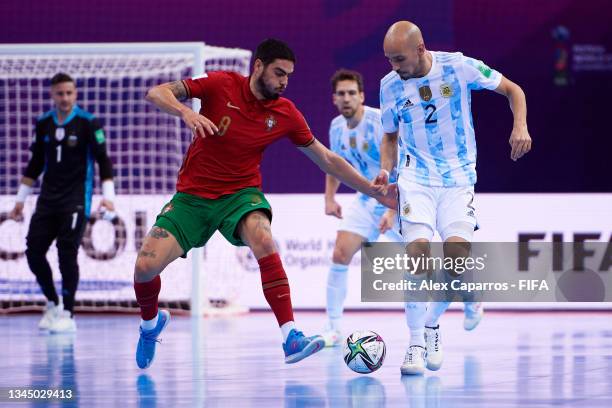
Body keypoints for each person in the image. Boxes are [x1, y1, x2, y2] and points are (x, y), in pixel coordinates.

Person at [136, 38, 394, 369]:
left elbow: (328, 159)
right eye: (278, 73)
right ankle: (149, 324)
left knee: (263, 238)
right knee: (145, 268)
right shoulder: (220, 84)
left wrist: (373, 191)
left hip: (241, 195)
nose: (284, 81)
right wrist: (187, 112)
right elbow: (157, 92)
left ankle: (291, 336)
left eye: (288, 75)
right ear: (258, 66)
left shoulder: (284, 112)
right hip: (193, 196)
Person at [376, 21, 531, 375]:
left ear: (420, 49)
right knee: (417, 256)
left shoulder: (458, 66)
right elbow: (388, 136)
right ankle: (415, 343)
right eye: (388, 59)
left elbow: (513, 90)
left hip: (458, 176)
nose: (393, 67)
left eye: (398, 59)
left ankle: (433, 323)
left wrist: (519, 126)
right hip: (415, 177)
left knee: (457, 259)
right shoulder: (389, 85)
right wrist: (387, 170)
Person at [9, 72, 116, 333]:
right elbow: (34, 164)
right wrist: (20, 201)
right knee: (33, 251)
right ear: (52, 95)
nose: (65, 98)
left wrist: (108, 197)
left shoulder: (89, 123)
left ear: (75, 94)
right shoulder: (43, 123)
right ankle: (53, 302)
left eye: (69, 93)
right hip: (47, 199)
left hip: (76, 199)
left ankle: (68, 313)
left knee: (66, 251)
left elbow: (104, 160)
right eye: (60, 93)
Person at [322, 69, 403, 346]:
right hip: (367, 199)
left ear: (362, 96)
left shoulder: (378, 121)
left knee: (421, 264)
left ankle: (469, 299)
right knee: (340, 252)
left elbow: (401, 161)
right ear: (334, 98)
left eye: (352, 93)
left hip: (399, 196)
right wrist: (329, 198)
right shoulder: (336, 127)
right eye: (341, 94)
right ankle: (333, 328)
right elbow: (333, 164)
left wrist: (393, 209)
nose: (347, 98)